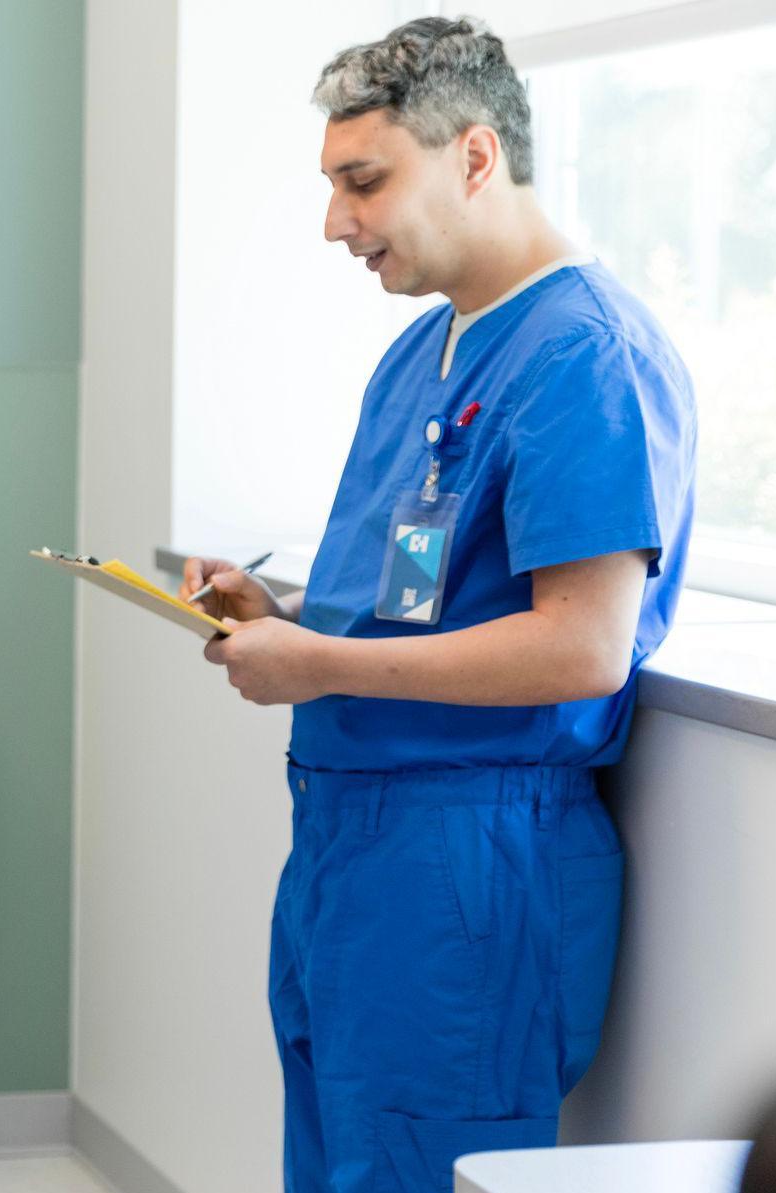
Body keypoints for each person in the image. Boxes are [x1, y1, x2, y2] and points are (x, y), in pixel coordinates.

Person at [180, 18, 696, 1193]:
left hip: (469, 858)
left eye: (364, 182)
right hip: (349, 848)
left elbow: (584, 644)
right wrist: (289, 614)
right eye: (331, 185)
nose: (336, 222)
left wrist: (319, 666)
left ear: (473, 158)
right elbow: (420, 601)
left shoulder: (586, 359)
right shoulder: (426, 355)